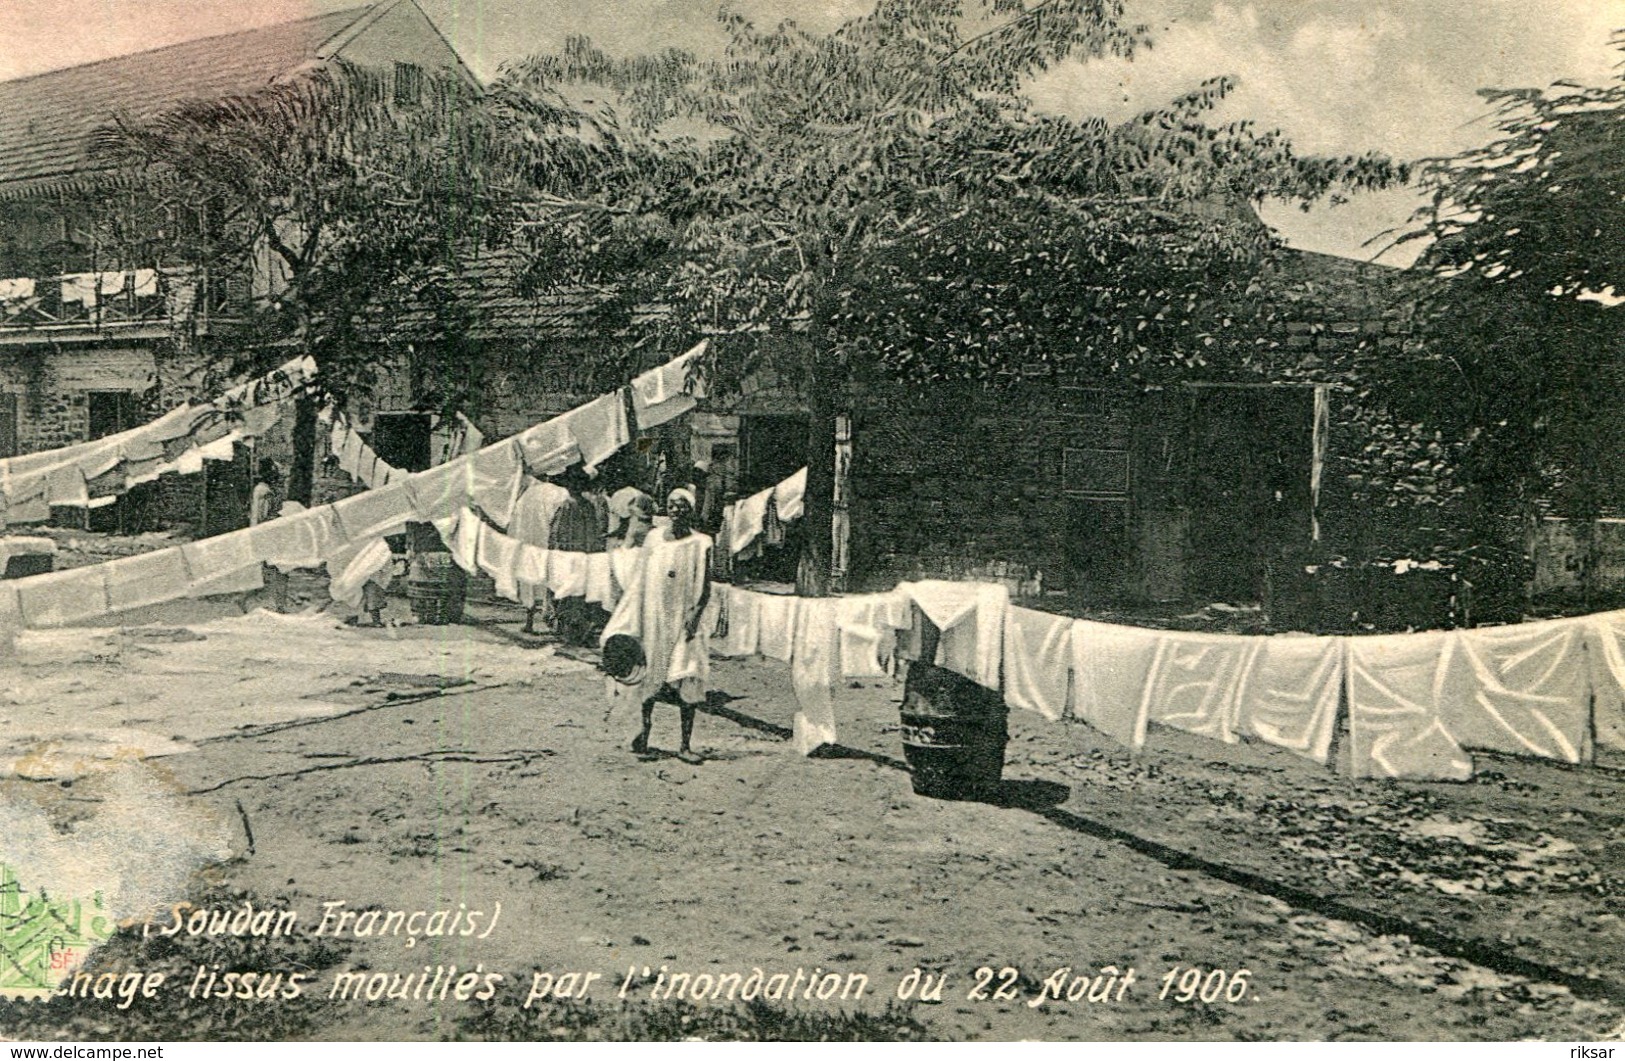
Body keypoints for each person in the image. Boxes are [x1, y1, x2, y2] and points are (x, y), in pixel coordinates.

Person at [602, 487, 712, 763]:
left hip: (684, 618)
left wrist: (695, 614)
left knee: (687, 674)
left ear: (691, 510)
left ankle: (685, 745)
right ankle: (644, 734)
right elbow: (640, 579)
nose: (676, 510)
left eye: (682, 506)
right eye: (672, 506)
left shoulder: (702, 543)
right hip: (655, 616)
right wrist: (631, 615)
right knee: (650, 674)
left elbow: (706, 586)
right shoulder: (653, 538)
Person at [549, 466, 609, 646]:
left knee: (568, 596)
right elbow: (594, 533)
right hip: (585, 555)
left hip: (569, 556)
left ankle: (570, 632)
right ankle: (578, 630)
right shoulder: (588, 505)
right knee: (580, 596)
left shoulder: (567, 505)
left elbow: (557, 534)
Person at [509, 467, 569, 635]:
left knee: (530, 583)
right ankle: (555, 622)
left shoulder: (527, 495)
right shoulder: (561, 493)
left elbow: (515, 522)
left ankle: (529, 622)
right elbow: (560, 521)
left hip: (528, 545)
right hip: (549, 543)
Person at [250, 458, 290, 613]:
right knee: (277, 568)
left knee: (275, 568)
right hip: (268, 532)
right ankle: (276, 604)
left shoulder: (263, 489)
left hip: (267, 532)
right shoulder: (264, 491)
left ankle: (277, 603)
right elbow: (262, 515)